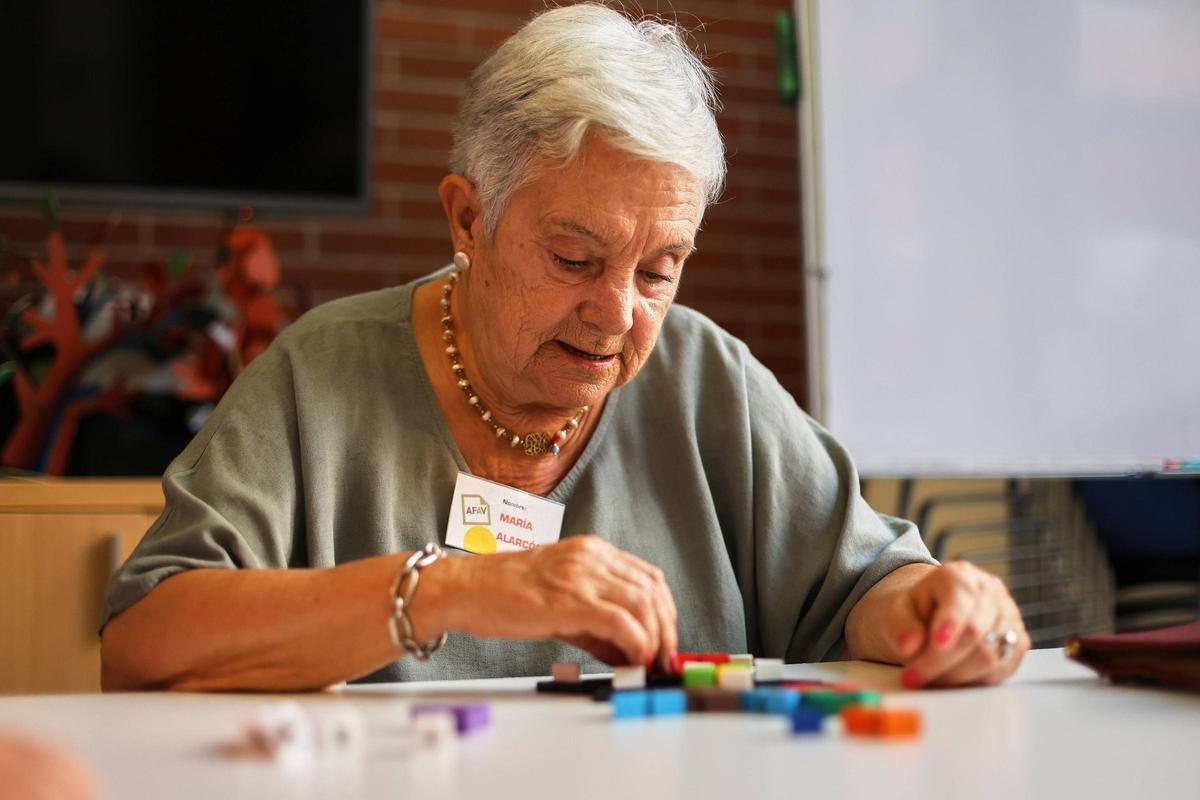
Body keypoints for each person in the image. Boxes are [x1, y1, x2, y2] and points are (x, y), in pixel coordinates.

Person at [99, 3, 1029, 692]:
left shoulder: (706, 379)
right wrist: (448, 591)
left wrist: (934, 609)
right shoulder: (320, 377)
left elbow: (863, 582)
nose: (619, 313)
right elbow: (144, 641)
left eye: (661, 269)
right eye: (575, 257)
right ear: (469, 218)